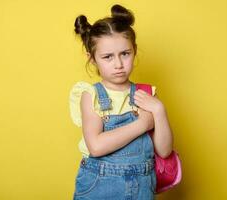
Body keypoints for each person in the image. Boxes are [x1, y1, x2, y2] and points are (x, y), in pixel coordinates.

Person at [69, 4, 173, 199]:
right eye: (107, 57)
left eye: (125, 54)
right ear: (92, 59)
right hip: (100, 186)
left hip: (142, 187)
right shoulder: (90, 95)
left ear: (134, 50)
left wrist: (159, 111)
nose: (118, 64)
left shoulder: (147, 94)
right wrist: (143, 123)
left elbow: (164, 150)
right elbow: (96, 146)